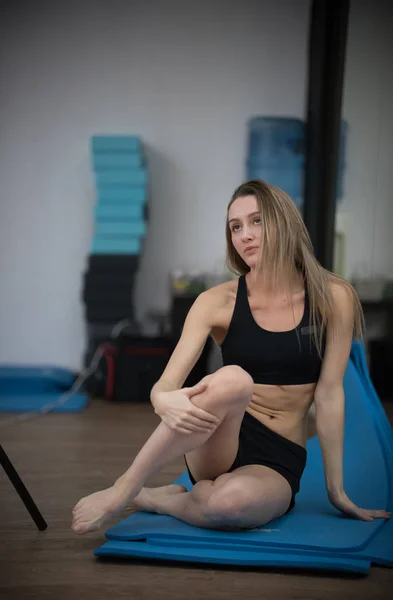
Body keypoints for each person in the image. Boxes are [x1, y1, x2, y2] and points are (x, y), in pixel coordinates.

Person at [72, 179, 391, 535]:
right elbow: (165, 385)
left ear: (284, 222)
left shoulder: (333, 297)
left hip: (278, 455)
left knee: (230, 505)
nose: (245, 235)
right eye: (235, 227)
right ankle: (125, 489)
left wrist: (337, 491)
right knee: (234, 379)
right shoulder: (215, 302)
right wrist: (163, 400)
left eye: (256, 221)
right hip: (217, 440)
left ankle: (161, 500)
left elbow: (330, 393)